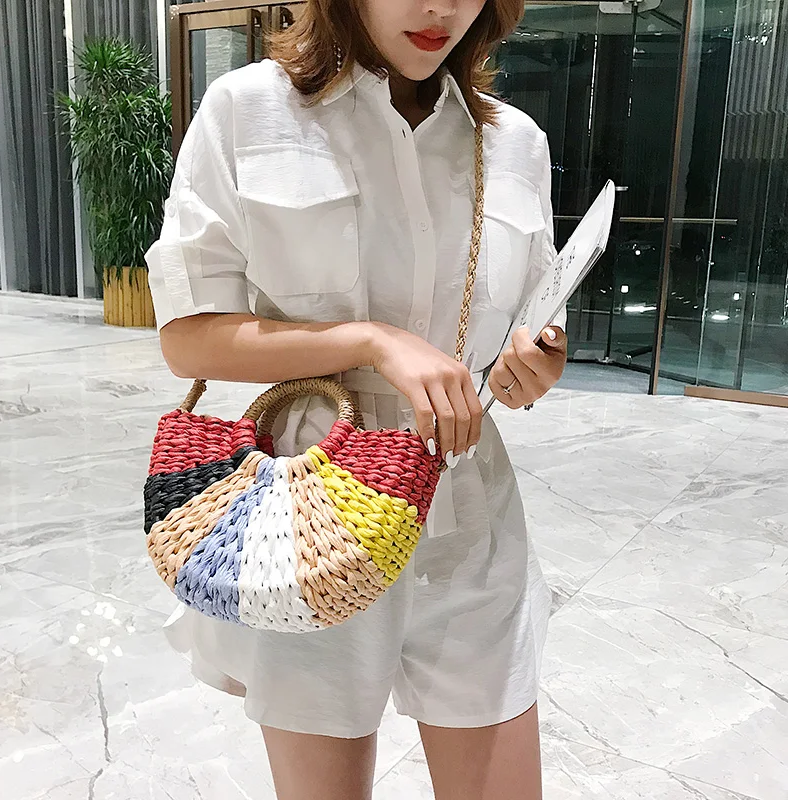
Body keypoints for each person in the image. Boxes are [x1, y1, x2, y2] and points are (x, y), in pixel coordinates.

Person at [145, 1, 567, 798]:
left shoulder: (515, 142)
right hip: (311, 507)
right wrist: (371, 341)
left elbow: (534, 326)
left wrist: (534, 366)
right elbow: (188, 339)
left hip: (469, 505)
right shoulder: (248, 111)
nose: (440, 8)